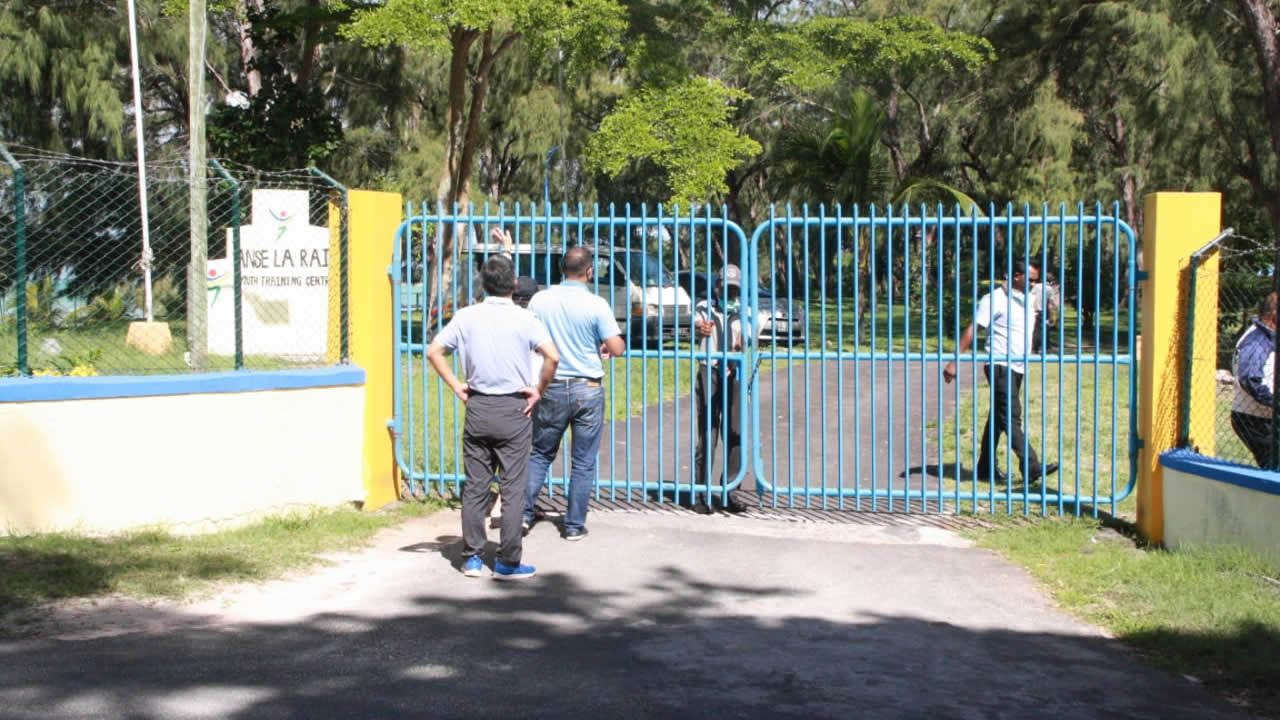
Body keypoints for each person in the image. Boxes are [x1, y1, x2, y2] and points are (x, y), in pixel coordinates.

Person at [426, 254, 560, 580]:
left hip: (479, 405)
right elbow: (552, 357)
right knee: (513, 489)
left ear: (483, 284)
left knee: (476, 486)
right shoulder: (525, 318)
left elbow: (434, 351)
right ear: (514, 283)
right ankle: (508, 561)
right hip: (514, 408)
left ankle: (471, 557)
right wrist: (538, 389)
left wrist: (457, 385)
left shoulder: (466, 316)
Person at [521, 244, 626, 541]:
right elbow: (617, 347)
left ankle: (523, 514)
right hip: (587, 387)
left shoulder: (540, 300)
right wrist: (601, 343)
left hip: (551, 385)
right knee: (583, 461)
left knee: (540, 453)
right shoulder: (597, 304)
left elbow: (530, 338)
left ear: (561, 269)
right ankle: (574, 525)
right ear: (590, 271)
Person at [944, 260, 1058, 484]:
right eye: (1030, 279)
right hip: (999, 365)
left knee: (998, 417)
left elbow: (1042, 318)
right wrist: (954, 361)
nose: (1034, 284)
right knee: (1011, 415)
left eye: (1036, 280)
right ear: (1015, 276)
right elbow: (973, 329)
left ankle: (985, 467)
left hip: (1018, 366)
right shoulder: (993, 299)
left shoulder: (1028, 299)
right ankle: (1031, 464)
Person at [692, 264, 750, 515]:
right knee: (708, 432)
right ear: (717, 286)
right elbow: (695, 325)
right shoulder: (704, 307)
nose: (730, 293)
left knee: (735, 433)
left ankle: (730, 490)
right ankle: (701, 493)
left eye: (734, 289)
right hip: (709, 371)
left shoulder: (745, 311)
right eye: (726, 288)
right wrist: (699, 328)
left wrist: (741, 345)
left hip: (733, 373)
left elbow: (747, 340)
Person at [488, 274, 543, 522]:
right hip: (530, 391)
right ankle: (505, 507)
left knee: (496, 453)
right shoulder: (532, 321)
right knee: (520, 455)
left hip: (498, 391)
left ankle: (495, 503)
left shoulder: (499, 320)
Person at [1231, 292, 1277, 468]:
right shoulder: (1257, 341)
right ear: (1274, 315)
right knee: (1274, 467)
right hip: (1256, 420)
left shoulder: (1267, 337)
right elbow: (1250, 379)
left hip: (1263, 416)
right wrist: (1275, 402)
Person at [1029, 272, 1059, 354]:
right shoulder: (1049, 289)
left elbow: (1031, 297)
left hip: (1034, 310)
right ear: (1051, 281)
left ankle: (1035, 347)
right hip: (1044, 312)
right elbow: (1050, 304)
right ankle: (1045, 346)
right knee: (1045, 329)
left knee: (1036, 330)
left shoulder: (1036, 286)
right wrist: (1051, 315)